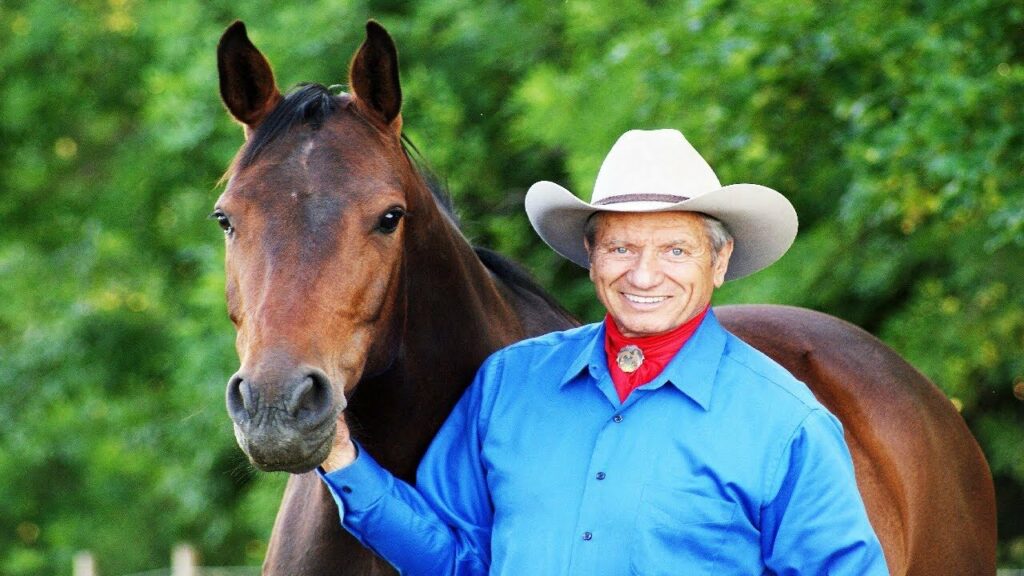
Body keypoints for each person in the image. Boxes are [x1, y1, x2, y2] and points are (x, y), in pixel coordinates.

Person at [317, 129, 889, 575]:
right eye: (621, 246)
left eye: (674, 249)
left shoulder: (787, 423)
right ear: (592, 257)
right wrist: (344, 461)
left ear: (718, 262)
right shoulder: (508, 384)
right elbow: (455, 561)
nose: (644, 274)